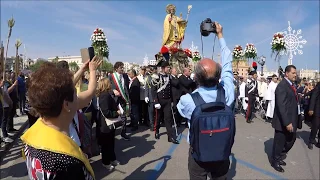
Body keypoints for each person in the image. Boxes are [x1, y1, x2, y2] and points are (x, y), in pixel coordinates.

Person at [177, 22, 234, 180]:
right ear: (219, 78)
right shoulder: (227, 93)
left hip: (198, 155)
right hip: (221, 152)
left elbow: (180, 110)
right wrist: (220, 35)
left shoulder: (188, 100)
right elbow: (228, 65)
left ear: (196, 78)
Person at [21, 62, 95, 179]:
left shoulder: (33, 137)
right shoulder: (68, 162)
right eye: (76, 94)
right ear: (66, 104)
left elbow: (86, 94)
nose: (79, 97)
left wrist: (84, 70)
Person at [271, 65, 299, 173]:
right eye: (293, 73)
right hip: (283, 121)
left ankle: (279, 156)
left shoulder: (291, 85)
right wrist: (287, 122)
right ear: (287, 73)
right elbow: (281, 106)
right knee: (279, 142)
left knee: (291, 139)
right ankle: (275, 161)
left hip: (291, 119)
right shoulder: (282, 85)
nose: (295, 75)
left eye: (295, 73)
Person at [96, 78, 121, 170]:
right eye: (109, 83)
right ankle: (105, 162)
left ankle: (112, 158)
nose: (111, 84)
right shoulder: (104, 96)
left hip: (108, 124)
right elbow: (106, 112)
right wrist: (117, 113)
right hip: (105, 124)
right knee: (106, 144)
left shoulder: (107, 94)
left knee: (111, 142)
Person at [154, 61, 179, 144]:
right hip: (160, 100)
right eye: (168, 67)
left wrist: (172, 100)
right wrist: (156, 102)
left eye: (169, 67)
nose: (169, 69)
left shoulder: (169, 77)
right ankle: (156, 131)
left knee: (168, 119)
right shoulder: (156, 76)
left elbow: (170, 90)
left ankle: (170, 136)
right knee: (158, 117)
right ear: (163, 68)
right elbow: (153, 91)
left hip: (167, 101)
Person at [109, 62, 131, 140]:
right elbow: (107, 87)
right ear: (116, 69)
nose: (122, 69)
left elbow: (127, 87)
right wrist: (113, 90)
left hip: (123, 99)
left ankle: (123, 132)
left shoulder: (125, 76)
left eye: (123, 67)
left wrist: (128, 97)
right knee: (115, 117)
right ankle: (113, 134)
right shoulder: (111, 76)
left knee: (124, 117)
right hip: (114, 99)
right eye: (121, 67)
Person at [144, 65, 158, 131]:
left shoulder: (158, 77)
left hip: (157, 97)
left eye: (154, 69)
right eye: (152, 69)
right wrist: (146, 96)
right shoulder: (148, 77)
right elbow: (146, 87)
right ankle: (152, 125)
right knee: (151, 112)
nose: (154, 71)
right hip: (150, 97)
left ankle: (157, 124)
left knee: (157, 113)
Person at [308, 82, 320, 149]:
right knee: (315, 126)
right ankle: (311, 141)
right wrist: (311, 108)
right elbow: (314, 95)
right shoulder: (319, 84)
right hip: (318, 110)